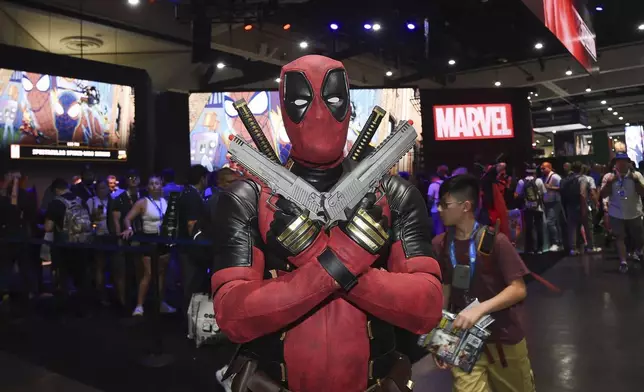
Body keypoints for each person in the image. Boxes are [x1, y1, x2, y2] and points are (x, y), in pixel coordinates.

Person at [211, 54, 443, 392]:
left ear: (348, 106)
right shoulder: (249, 198)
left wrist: (318, 256)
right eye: (302, 101)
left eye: (333, 99)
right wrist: (346, 259)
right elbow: (233, 316)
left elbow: (426, 307)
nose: (319, 114)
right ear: (285, 107)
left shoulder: (393, 195)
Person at [431, 174, 535, 392]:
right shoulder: (440, 244)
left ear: (466, 206)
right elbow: (445, 289)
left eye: (444, 204)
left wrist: (480, 309)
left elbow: (518, 288)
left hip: (503, 339)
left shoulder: (495, 241)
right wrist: (440, 338)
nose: (439, 209)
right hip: (463, 339)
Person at [121, 175, 175, 316]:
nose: (154, 186)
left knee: (162, 274)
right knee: (149, 274)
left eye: (157, 183)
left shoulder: (165, 201)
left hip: (163, 239)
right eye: (151, 183)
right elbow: (127, 218)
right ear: (147, 187)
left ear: (161, 185)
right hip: (149, 240)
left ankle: (161, 302)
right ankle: (139, 305)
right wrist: (129, 228)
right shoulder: (142, 202)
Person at [44, 178, 93, 316]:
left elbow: (48, 228)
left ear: (56, 190)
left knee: (62, 278)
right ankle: (83, 309)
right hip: (82, 245)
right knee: (81, 278)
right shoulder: (81, 200)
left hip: (63, 247)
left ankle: (62, 310)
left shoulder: (56, 203)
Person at [601, 153, 644, 273]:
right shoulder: (609, 177)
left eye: (624, 161)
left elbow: (643, 193)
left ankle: (638, 251)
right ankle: (623, 261)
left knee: (639, 237)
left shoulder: (636, 176)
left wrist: (636, 182)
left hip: (634, 211)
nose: (621, 163)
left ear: (629, 163)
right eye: (619, 161)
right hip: (616, 212)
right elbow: (603, 194)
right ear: (615, 163)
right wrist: (610, 182)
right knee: (619, 237)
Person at [177, 164, 209, 313]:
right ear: (202, 178)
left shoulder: (188, 193)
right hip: (191, 249)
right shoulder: (192, 196)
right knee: (191, 285)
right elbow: (191, 225)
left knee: (191, 284)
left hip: (187, 247)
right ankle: (189, 322)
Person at [87, 180, 111, 305]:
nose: (103, 190)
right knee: (99, 266)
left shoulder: (112, 200)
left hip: (111, 235)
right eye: (100, 188)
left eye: (105, 187)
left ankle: (112, 293)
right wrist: (95, 216)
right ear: (96, 190)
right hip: (98, 235)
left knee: (112, 267)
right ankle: (101, 295)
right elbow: (87, 219)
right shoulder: (92, 201)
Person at [516, 165, 546, 254]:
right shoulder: (539, 180)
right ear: (534, 172)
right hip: (538, 208)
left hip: (527, 207)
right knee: (539, 227)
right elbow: (544, 193)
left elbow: (516, 195)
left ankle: (530, 249)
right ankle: (540, 248)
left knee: (529, 227)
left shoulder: (521, 181)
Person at [540, 162, 563, 251]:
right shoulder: (545, 177)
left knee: (550, 222)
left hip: (555, 202)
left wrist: (550, 187)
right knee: (554, 223)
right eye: (541, 169)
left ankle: (555, 242)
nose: (542, 170)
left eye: (544, 168)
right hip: (548, 202)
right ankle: (558, 242)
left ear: (549, 167)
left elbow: (562, 187)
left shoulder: (555, 177)